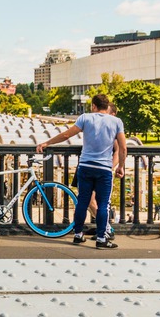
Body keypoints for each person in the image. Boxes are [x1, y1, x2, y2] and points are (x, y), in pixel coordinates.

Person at [37, 94, 126, 249]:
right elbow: (123, 147)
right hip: (104, 168)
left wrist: (47, 143)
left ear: (94, 106)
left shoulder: (85, 118)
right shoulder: (116, 122)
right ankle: (101, 239)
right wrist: (120, 166)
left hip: (85, 166)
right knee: (103, 204)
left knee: (82, 202)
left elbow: (66, 135)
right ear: (107, 106)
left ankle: (78, 235)